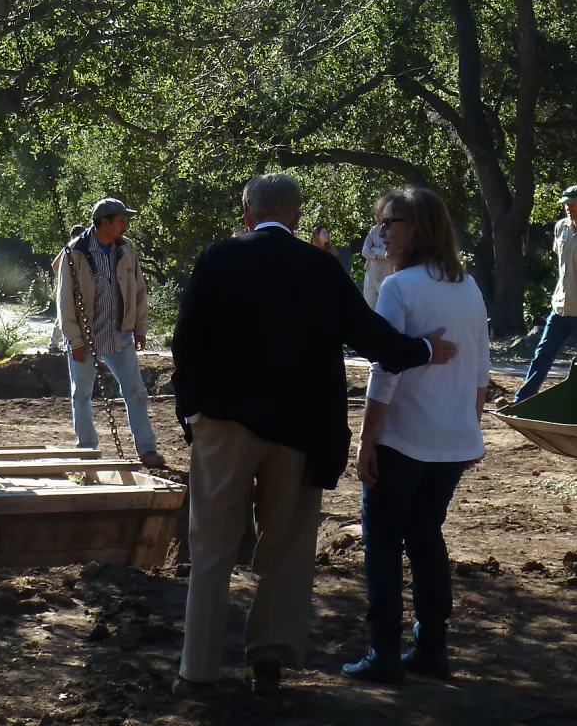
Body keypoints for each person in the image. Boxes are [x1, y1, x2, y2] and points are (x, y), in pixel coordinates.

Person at [170, 173, 458, 698]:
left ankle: (197, 672)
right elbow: (372, 338)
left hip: (224, 424)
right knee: (287, 547)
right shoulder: (321, 267)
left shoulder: (218, 258)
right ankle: (269, 662)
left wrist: (189, 411)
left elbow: (185, 341)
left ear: (247, 213)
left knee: (211, 546)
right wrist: (421, 350)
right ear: (298, 216)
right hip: (301, 431)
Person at [342, 188, 489, 686]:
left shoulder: (398, 287)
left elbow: (385, 370)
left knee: (382, 543)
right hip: (451, 442)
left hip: (402, 438)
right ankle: (431, 648)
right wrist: (467, 426)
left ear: (419, 227)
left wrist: (367, 440)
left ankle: (383, 651)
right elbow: (480, 371)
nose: (382, 232)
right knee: (425, 537)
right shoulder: (469, 286)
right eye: (381, 222)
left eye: (391, 222)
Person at [55, 197, 166, 469]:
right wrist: (74, 340)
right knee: (82, 394)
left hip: (119, 334)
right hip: (85, 337)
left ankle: (147, 449)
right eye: (121, 220)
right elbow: (64, 301)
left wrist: (139, 328)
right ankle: (86, 450)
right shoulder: (76, 252)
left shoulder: (125, 248)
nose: (125, 225)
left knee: (136, 392)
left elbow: (138, 290)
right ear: (104, 222)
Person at [511, 185, 577, 404]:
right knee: (543, 354)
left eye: (573, 204)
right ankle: (522, 400)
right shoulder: (561, 227)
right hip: (560, 307)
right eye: (566, 204)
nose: (569, 208)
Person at [48, 223, 85, 354]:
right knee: (64, 314)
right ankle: (53, 344)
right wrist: (63, 280)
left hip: (79, 286)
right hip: (70, 287)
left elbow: (55, 265)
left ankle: (59, 344)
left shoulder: (77, 249)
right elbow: (55, 265)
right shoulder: (69, 248)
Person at [362, 206, 391, 308]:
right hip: (371, 274)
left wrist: (375, 249)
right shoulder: (374, 229)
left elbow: (390, 254)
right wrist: (377, 255)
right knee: (368, 307)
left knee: (385, 308)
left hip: (386, 275)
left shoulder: (393, 230)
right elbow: (364, 251)